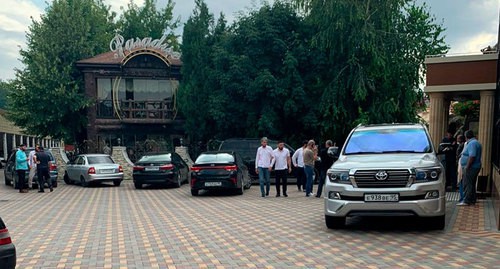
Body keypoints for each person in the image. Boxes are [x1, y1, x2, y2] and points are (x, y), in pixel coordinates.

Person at [457, 130, 482, 206]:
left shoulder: (472, 143)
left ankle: (467, 200)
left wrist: (467, 167)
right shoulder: (475, 142)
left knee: (468, 184)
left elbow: (472, 156)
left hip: (471, 167)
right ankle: (472, 199)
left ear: (466, 137)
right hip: (474, 166)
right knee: (472, 183)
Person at [456, 135, 466, 202]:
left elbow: (459, 154)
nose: (457, 139)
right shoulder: (463, 145)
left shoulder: (462, 145)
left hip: (461, 164)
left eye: (458, 138)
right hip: (461, 163)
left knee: (461, 181)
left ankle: (462, 198)